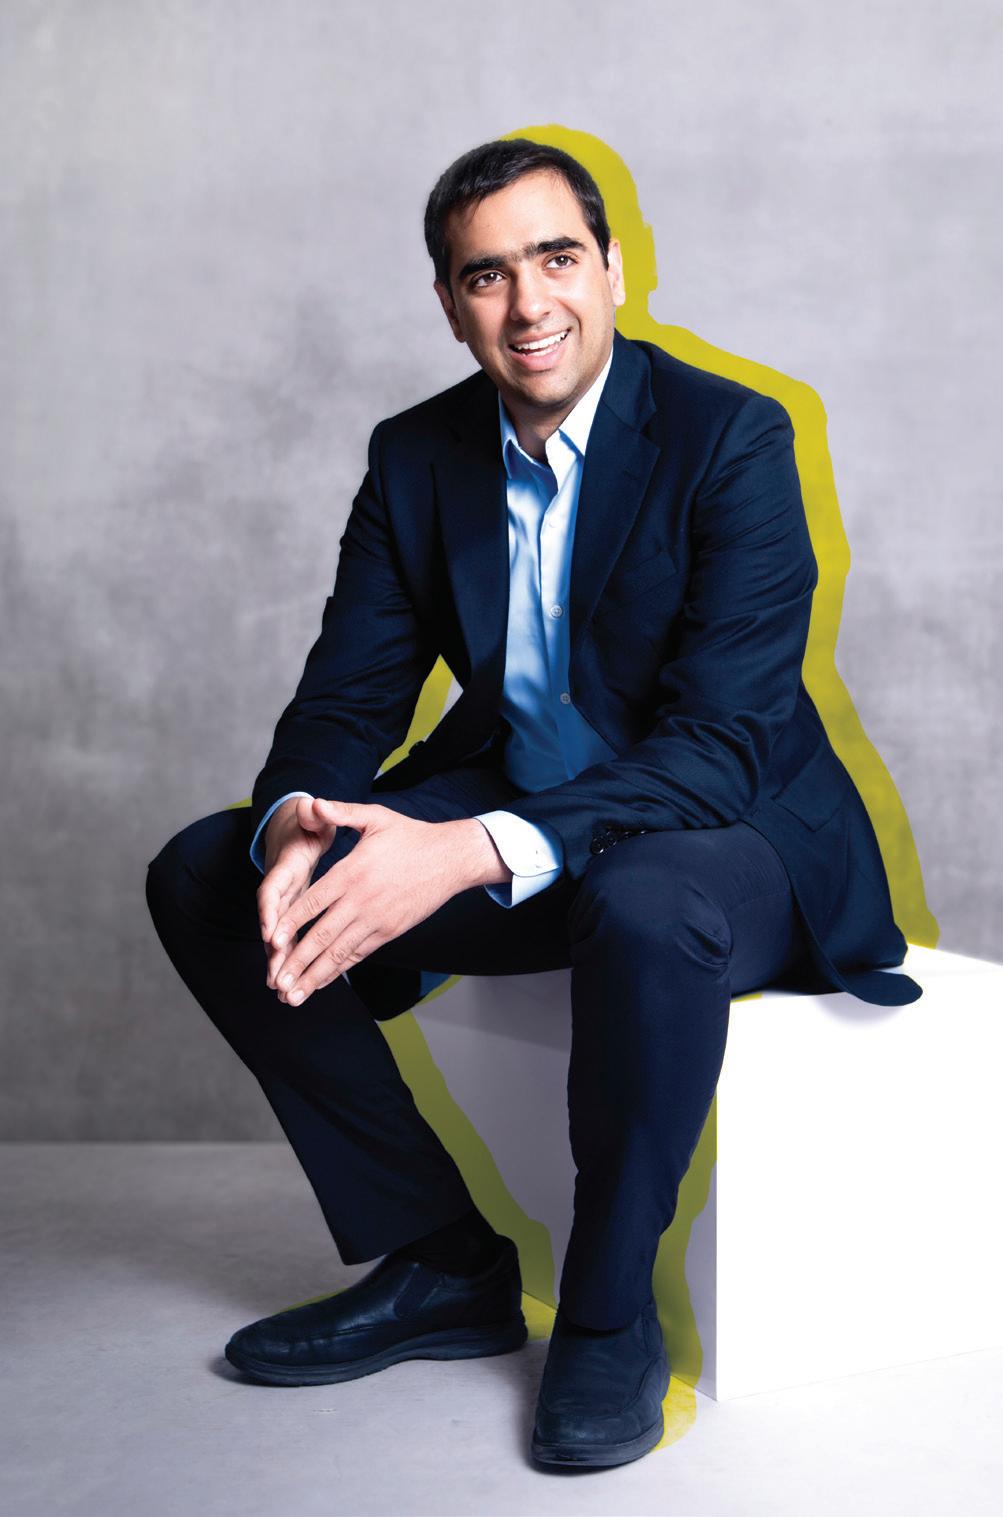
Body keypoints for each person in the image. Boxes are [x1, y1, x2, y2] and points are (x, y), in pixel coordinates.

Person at [145, 137, 921, 1471]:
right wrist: (296, 825)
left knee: (642, 894)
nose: (527, 302)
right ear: (451, 305)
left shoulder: (731, 437)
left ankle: (609, 1314)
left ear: (614, 268)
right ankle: (443, 1261)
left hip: (731, 835)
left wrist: (465, 850)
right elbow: (345, 698)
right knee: (206, 873)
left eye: (556, 257)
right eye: (486, 274)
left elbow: (719, 744)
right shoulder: (416, 456)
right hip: (524, 803)